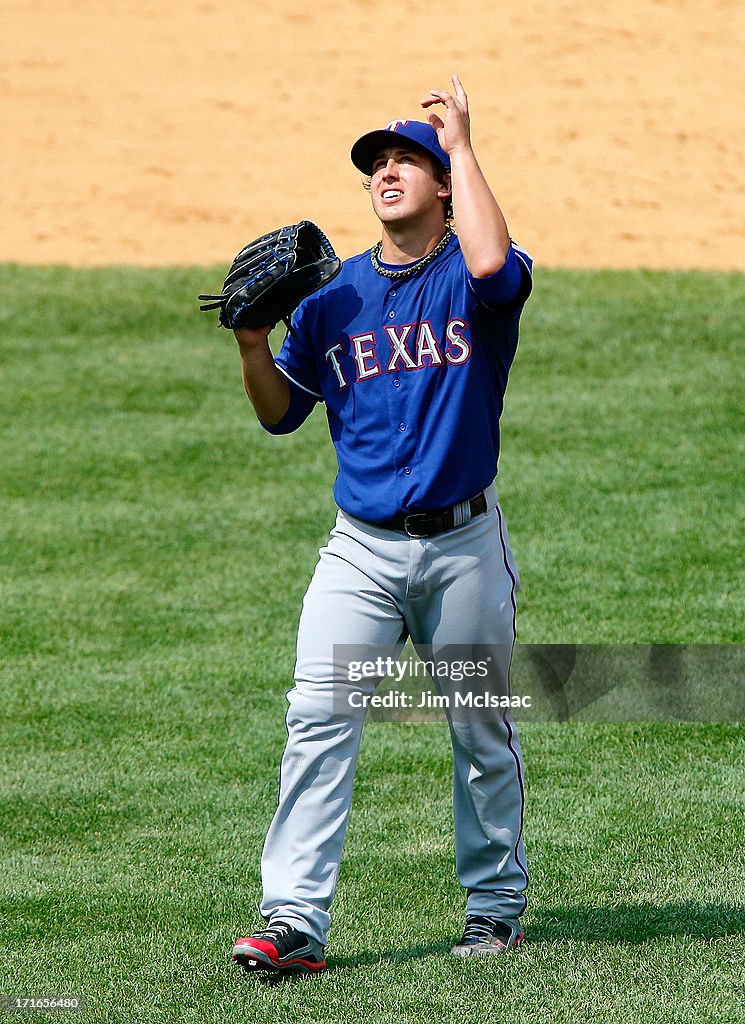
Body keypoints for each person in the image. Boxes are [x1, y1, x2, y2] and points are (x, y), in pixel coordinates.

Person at [231, 75, 533, 975]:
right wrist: (252, 347)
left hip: (464, 548)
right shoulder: (331, 300)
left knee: (479, 730)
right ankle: (291, 921)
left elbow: (488, 264)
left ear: (444, 188)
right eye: (377, 164)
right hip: (358, 551)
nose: (387, 172)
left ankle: (494, 909)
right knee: (317, 718)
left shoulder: (480, 282)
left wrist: (466, 146)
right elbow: (280, 414)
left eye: (409, 160)